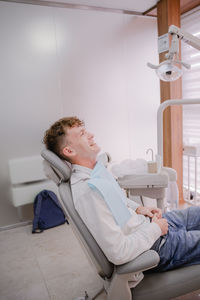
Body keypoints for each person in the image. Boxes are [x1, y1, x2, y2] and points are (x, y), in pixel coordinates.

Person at [43, 116, 200, 272]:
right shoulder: (88, 190)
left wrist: (139, 209)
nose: (91, 135)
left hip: (148, 225)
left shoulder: (95, 173)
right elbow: (118, 252)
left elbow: (116, 200)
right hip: (157, 245)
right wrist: (156, 229)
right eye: (82, 133)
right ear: (69, 150)